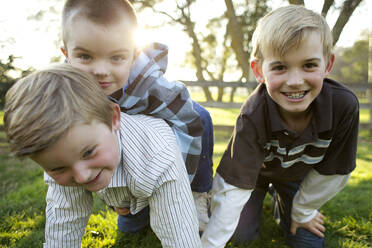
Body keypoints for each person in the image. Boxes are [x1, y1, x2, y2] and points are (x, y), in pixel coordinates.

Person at [201, 5, 359, 248]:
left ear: (328, 64)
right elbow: (233, 185)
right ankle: (268, 193)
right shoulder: (253, 114)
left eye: (308, 65)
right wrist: (211, 244)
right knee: (240, 236)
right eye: (280, 67)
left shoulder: (343, 107)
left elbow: (335, 171)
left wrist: (303, 210)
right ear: (258, 70)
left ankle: (283, 198)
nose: (295, 82)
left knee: (308, 242)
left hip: (298, 174)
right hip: (254, 176)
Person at [4, 64, 202, 247]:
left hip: (165, 170)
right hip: (125, 187)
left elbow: (181, 236)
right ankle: (127, 208)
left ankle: (200, 198)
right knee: (130, 227)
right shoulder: (65, 155)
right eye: (57, 168)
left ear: (113, 118)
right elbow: (64, 221)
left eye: (88, 152)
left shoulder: (159, 153)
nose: (81, 176)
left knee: (169, 215)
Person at [60, 0, 213, 232]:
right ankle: (133, 205)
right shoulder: (62, 91)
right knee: (131, 228)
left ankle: (197, 193)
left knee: (201, 116)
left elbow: (189, 124)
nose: (101, 70)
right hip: (124, 161)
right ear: (66, 54)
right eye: (85, 56)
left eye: (116, 58)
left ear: (133, 56)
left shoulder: (152, 86)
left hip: (158, 149)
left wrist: (178, 185)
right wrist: (113, 197)